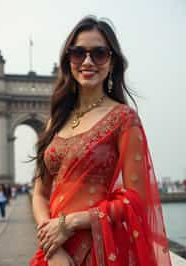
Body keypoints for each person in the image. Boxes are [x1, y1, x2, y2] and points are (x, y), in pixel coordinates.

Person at [30, 16, 172, 266]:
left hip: (99, 252)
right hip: (53, 252)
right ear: (68, 60)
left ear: (112, 62)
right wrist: (51, 244)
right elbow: (40, 193)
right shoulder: (55, 121)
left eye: (99, 53)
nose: (87, 61)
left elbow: (136, 200)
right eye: (78, 53)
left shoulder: (123, 119)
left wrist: (70, 223)